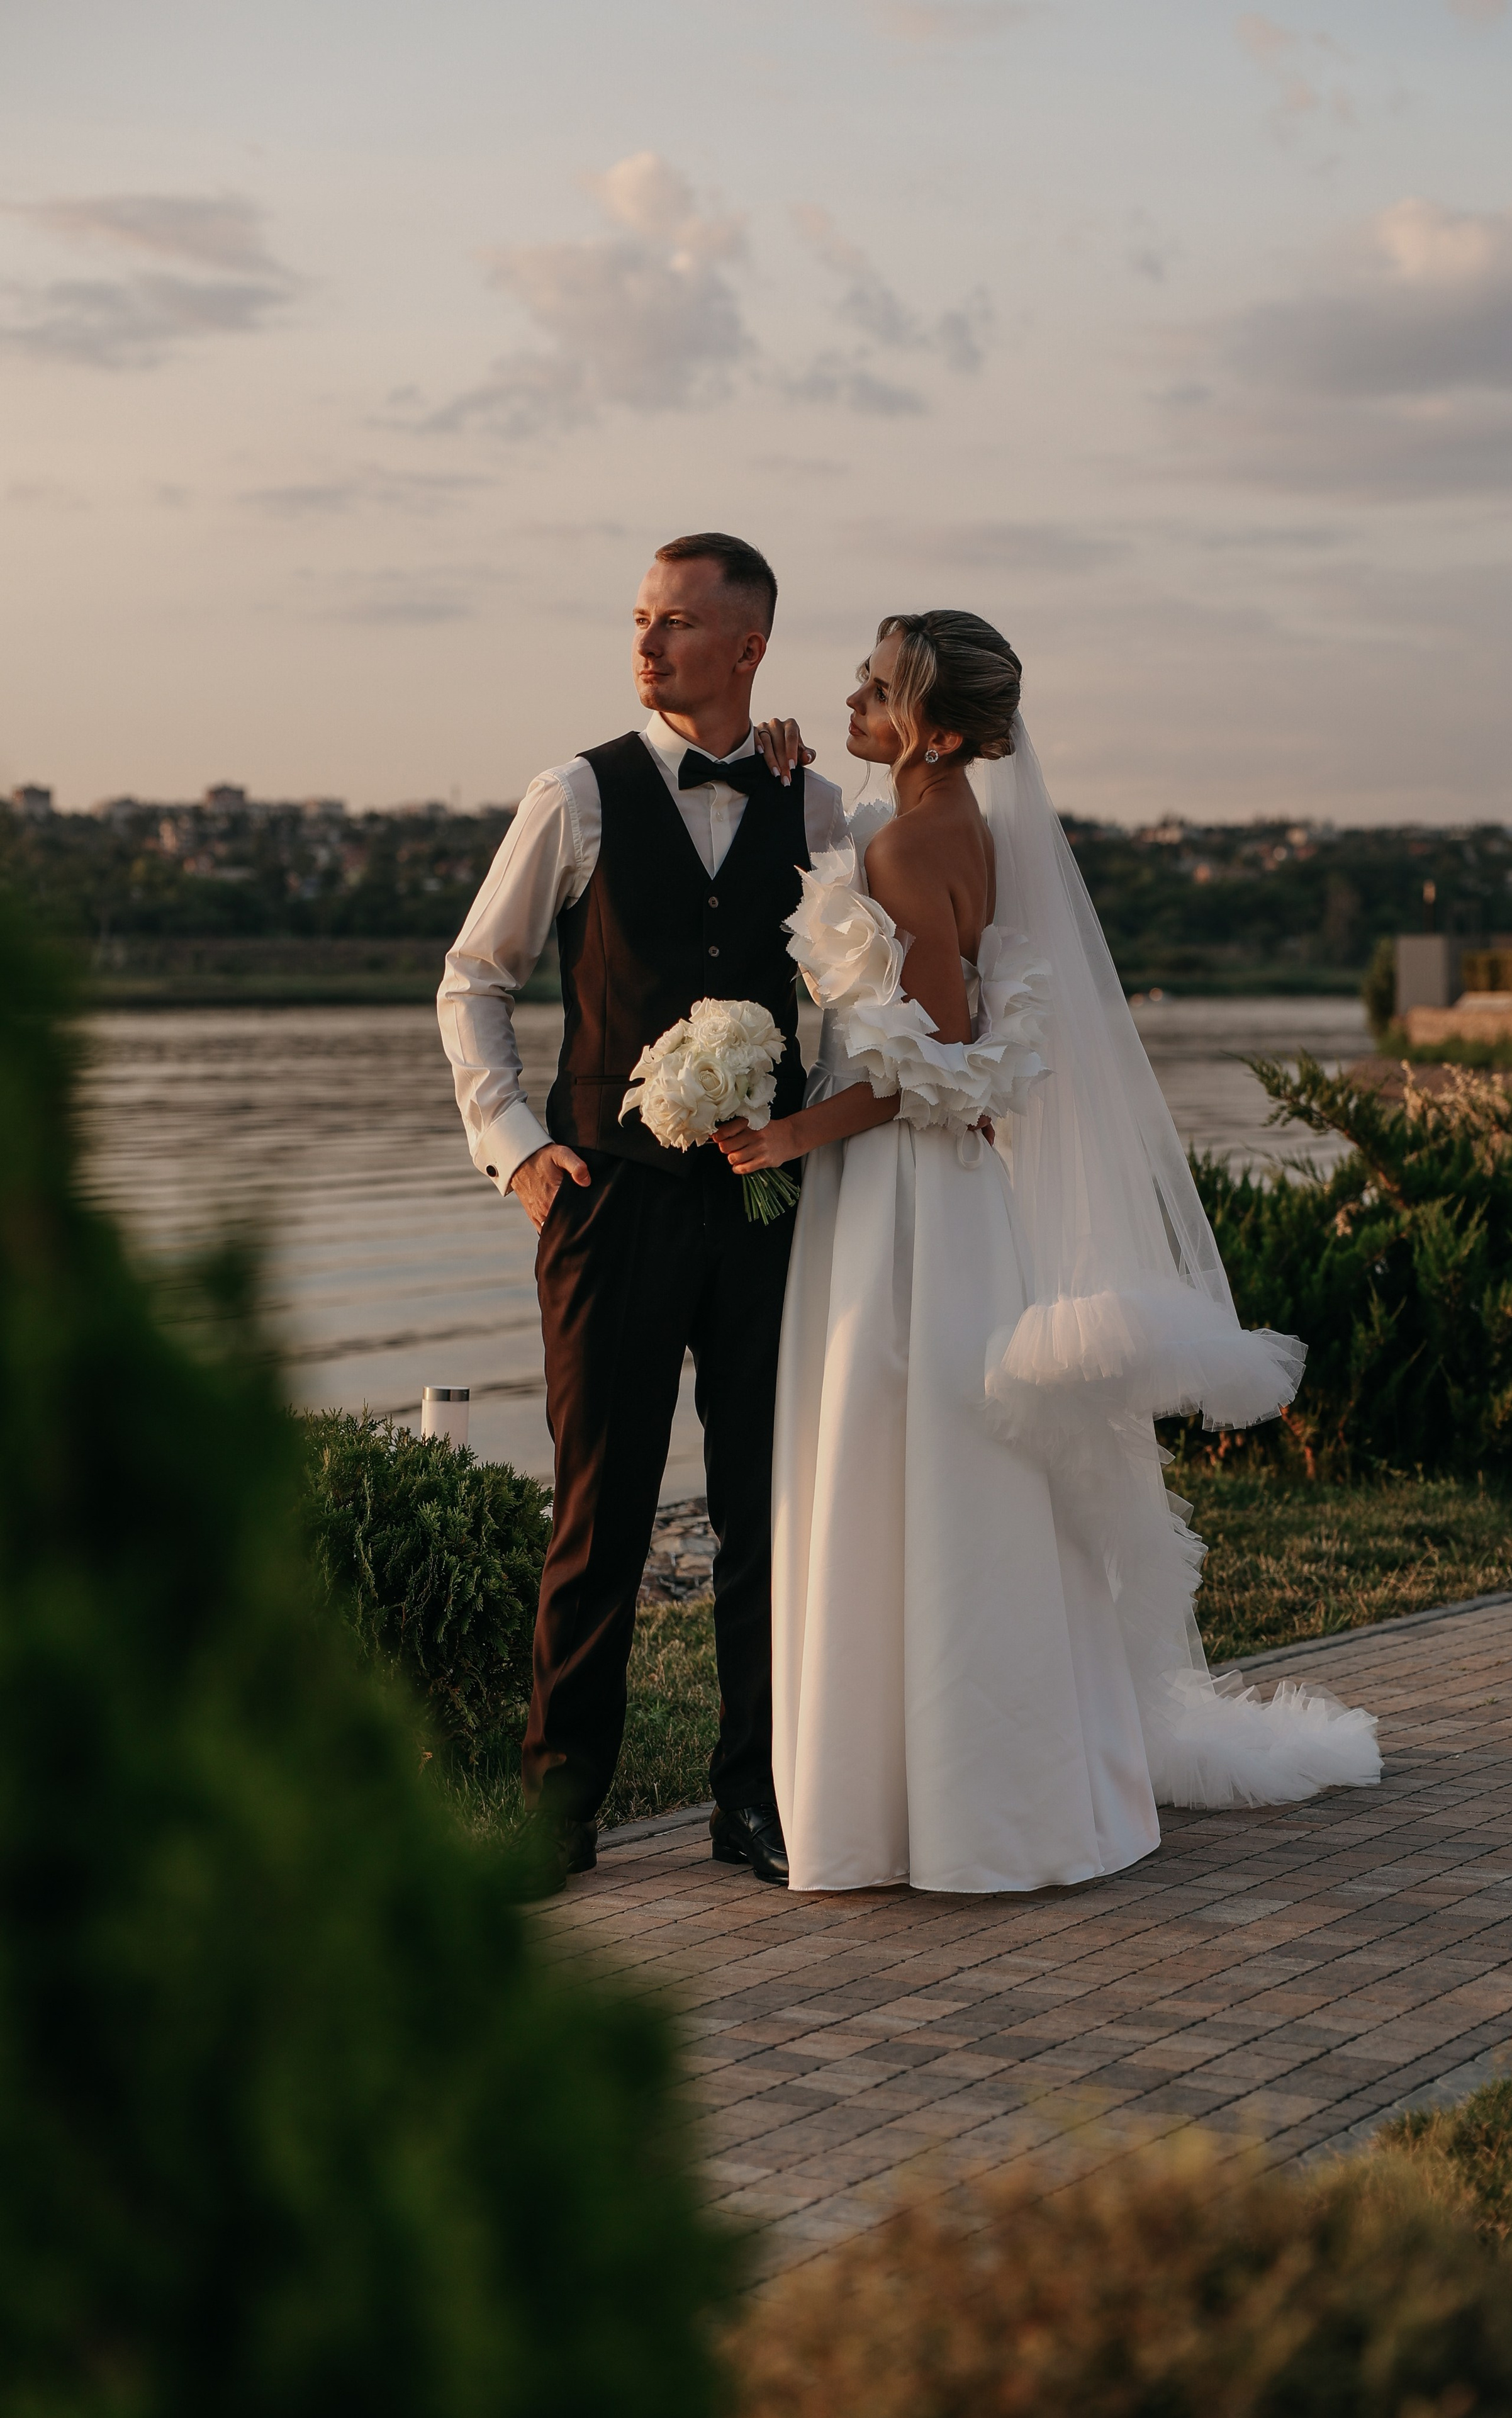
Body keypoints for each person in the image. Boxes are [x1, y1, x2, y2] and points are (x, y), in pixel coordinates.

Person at [719, 612, 1380, 1893]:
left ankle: (930, 1804)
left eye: (879, 689)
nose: (854, 699)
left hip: (902, 1201)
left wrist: (797, 1126)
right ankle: (966, 1787)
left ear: (944, 728)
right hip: (949, 1199)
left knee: (897, 1454)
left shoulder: (916, 843)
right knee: (948, 1474)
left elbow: (946, 1066)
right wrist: (802, 794)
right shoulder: (962, 833)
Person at [439, 533, 841, 1885]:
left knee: (760, 1507)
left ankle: (755, 1798)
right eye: (639, 619)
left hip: (766, 1208)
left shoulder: (818, 804)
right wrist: (516, 1149)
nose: (647, 643)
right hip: (605, 1206)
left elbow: (852, 1005)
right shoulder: (578, 792)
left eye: (677, 623)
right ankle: (558, 1809)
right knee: (597, 1510)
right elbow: (474, 978)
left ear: (749, 648)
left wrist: (808, 1132)